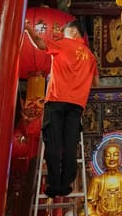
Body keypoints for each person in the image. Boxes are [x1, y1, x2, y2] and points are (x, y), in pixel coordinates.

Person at [23, 18, 98, 197]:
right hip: (77, 105)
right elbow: (96, 82)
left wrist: (27, 29)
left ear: (73, 31)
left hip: (57, 100)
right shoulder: (91, 56)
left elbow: (40, 44)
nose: (63, 34)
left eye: (65, 31)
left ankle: (55, 185)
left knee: (53, 142)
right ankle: (66, 184)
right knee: (70, 144)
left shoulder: (63, 44)